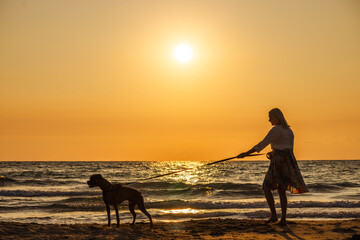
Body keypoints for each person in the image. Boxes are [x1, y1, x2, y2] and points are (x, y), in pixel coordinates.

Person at [237, 108, 308, 226]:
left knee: (266, 187)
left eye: (270, 117)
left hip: (279, 161)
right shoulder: (289, 130)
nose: (269, 119)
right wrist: (274, 152)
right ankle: (283, 219)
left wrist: (245, 153)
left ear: (276, 117)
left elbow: (262, 144)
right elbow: (288, 147)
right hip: (288, 160)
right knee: (281, 190)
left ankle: (274, 215)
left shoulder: (275, 130)